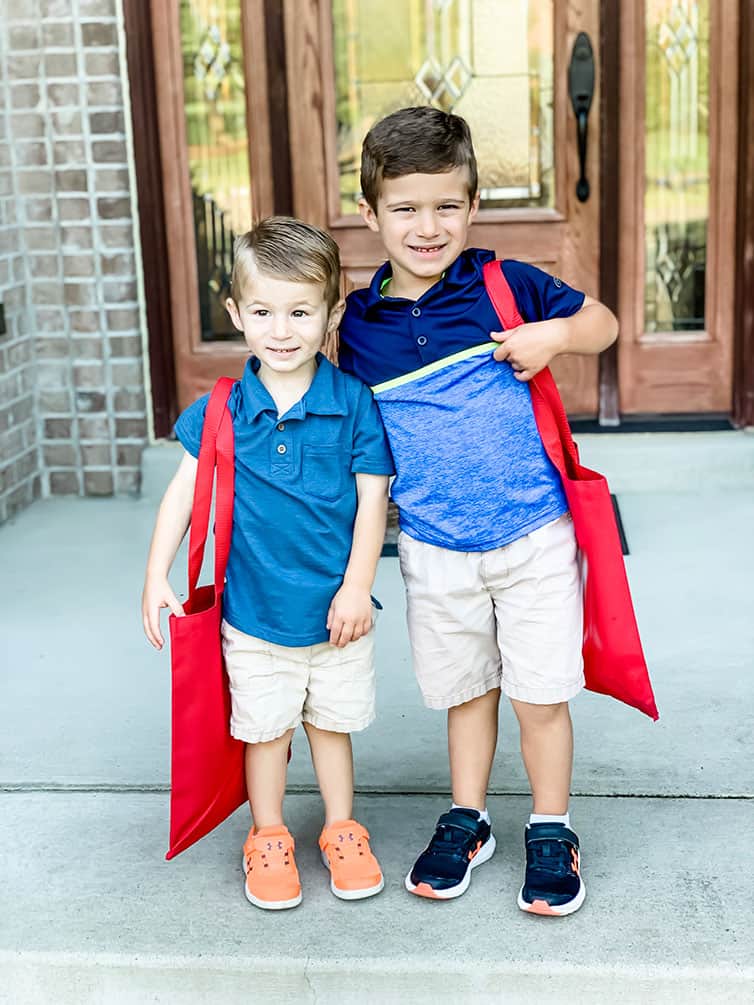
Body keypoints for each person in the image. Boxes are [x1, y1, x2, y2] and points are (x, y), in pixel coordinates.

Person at [337, 106, 619, 916]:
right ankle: (469, 817)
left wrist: (554, 336)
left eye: (446, 206)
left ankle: (551, 825)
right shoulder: (359, 326)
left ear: (473, 205)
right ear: (370, 213)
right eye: (405, 208)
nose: (427, 227)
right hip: (434, 547)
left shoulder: (506, 285)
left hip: (533, 536)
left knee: (540, 694)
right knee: (467, 692)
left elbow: (601, 323)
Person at [142, 217, 394, 911]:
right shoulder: (223, 407)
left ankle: (341, 828)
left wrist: (358, 587)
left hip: (338, 616)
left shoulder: (353, 403)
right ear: (236, 314)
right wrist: (156, 573)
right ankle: (269, 832)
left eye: (300, 313)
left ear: (331, 315)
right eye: (262, 312)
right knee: (264, 729)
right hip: (253, 617)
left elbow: (373, 503)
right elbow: (184, 492)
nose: (281, 331)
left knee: (332, 726)